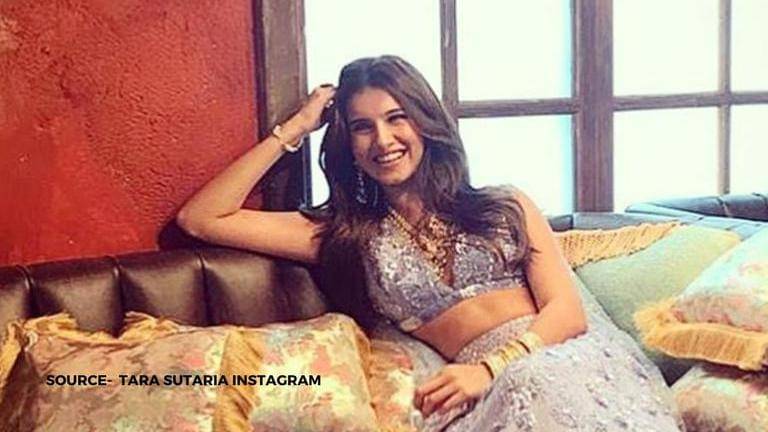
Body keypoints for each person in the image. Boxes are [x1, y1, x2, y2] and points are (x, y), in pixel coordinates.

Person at [177, 55, 685, 431]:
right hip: (475, 393)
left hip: (561, 358)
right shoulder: (345, 233)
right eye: (362, 128)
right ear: (348, 145)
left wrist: (493, 367)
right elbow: (202, 218)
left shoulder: (504, 204)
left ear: (424, 121)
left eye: (396, 117)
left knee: (534, 383)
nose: (383, 140)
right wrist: (298, 127)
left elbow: (567, 313)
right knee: (524, 389)